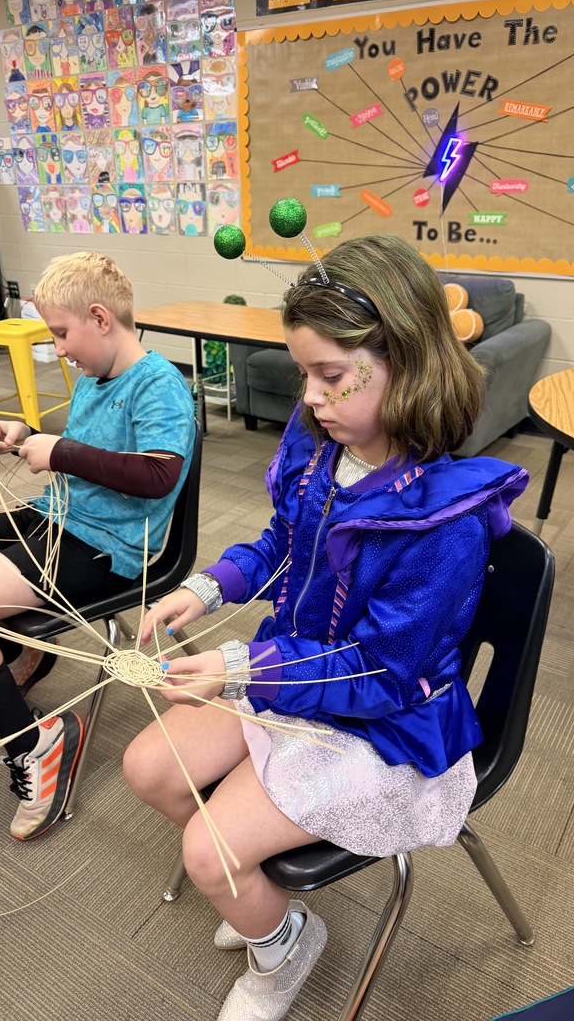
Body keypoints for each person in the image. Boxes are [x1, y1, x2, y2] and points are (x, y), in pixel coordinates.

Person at [123, 234, 530, 1021]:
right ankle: (266, 907)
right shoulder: (321, 444)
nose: (309, 395)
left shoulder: (444, 523)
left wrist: (241, 668)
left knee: (207, 849)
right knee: (151, 769)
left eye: (331, 376)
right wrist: (208, 588)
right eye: (306, 372)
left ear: (405, 364)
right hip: (294, 672)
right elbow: (284, 544)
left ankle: (282, 946)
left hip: (384, 723)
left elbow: (377, 674)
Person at [0, 252, 195, 842]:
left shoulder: (160, 384)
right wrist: (28, 436)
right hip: (55, 517)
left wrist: (59, 452)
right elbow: (85, 449)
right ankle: (12, 661)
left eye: (62, 333)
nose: (59, 348)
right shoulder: (94, 374)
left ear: (100, 317)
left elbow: (161, 474)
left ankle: (35, 744)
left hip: (107, 545)